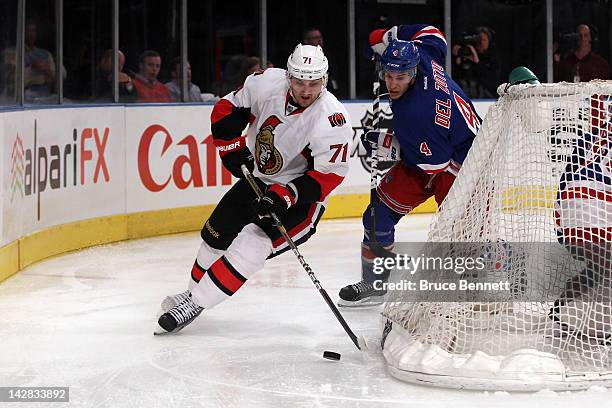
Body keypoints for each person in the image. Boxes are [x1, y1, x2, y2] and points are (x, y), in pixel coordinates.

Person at [155, 44, 353, 334]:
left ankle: (195, 303)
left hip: (301, 199)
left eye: (314, 83)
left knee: (252, 242)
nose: (307, 90)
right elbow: (227, 110)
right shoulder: (266, 83)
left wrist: (285, 195)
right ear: (288, 77)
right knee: (215, 232)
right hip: (258, 178)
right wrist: (230, 149)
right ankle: (192, 295)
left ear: (324, 79)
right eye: (300, 82)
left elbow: (328, 175)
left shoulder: (332, 118)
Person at [338, 24, 481, 307]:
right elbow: (432, 33)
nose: (392, 84)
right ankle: (375, 284)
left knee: (461, 232)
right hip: (439, 148)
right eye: (388, 75)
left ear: (413, 73)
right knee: (377, 215)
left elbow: (432, 164)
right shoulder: (423, 52)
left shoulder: (419, 112)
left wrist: (389, 143)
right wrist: (389, 35)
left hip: (463, 163)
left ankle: (482, 280)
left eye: (400, 77)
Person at [451, 26, 500, 98]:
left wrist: (477, 62)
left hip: (485, 99)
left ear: (489, 42)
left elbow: (491, 82)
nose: (480, 42)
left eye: (484, 40)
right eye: (478, 40)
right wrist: (456, 59)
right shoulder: (465, 53)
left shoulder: (493, 59)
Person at [24, 20, 66, 101]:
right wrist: (33, 67)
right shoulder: (12, 52)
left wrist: (48, 70)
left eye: (34, 31)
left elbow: (61, 75)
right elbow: (12, 78)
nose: (31, 34)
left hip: (46, 93)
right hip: (24, 95)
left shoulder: (45, 54)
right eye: (28, 31)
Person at [302, 27, 340, 95]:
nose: (319, 40)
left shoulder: (327, 56)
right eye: (315, 38)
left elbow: (333, 76)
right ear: (306, 41)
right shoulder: (300, 56)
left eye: (320, 37)